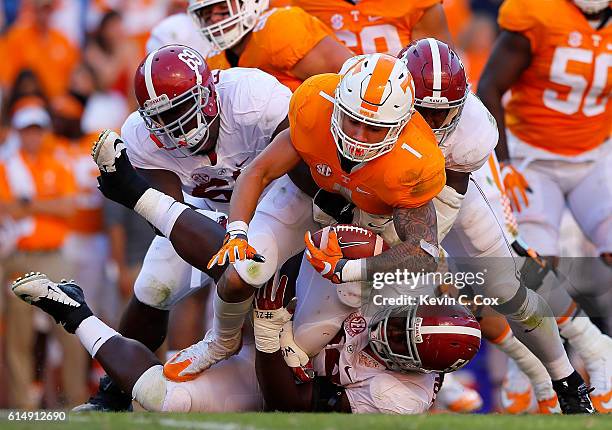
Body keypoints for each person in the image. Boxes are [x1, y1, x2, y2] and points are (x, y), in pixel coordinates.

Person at [75, 44, 292, 411]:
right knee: (153, 285)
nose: (173, 124)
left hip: (278, 204)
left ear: (208, 95)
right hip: (202, 212)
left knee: (263, 277)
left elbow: (298, 166)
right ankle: (114, 392)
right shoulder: (140, 136)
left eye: (180, 108)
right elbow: (168, 216)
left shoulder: (253, 96)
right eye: (160, 116)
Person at [399, 38, 596, 414]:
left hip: (446, 187)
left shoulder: (469, 129)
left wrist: (423, 250)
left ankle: (567, 381)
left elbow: (448, 199)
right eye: (423, 112)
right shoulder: (376, 100)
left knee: (507, 289)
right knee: (375, 285)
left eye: (441, 115)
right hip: (384, 186)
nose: (432, 124)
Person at [10, 264, 480, 414]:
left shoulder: (398, 397)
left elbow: (291, 406)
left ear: (414, 365)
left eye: (398, 340)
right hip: (303, 317)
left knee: (162, 400)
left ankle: (74, 312)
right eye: (399, 319)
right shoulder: (403, 284)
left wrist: (273, 335)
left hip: (287, 379)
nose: (386, 330)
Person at [477, 0, 611, 412]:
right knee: (531, 268)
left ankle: (604, 361)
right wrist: (502, 163)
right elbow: (489, 87)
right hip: (532, 159)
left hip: (596, 156)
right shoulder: (539, 13)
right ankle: (531, 363)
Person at [0, 102, 87, 408]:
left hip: (53, 254)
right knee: (19, 335)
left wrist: (30, 204)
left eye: (37, 130)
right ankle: (25, 406)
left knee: (72, 326)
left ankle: (76, 400)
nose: (33, 137)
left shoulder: (56, 164)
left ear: (44, 133)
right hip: (18, 256)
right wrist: (46, 203)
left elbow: (68, 206)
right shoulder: (7, 165)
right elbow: (5, 208)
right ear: (18, 133)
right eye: (27, 131)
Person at [187, 0, 354, 91]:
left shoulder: (277, 29)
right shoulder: (213, 60)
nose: (214, 20)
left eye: (223, 10)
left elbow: (351, 76)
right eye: (206, 15)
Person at [292, 0, 453, 54]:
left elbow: (438, 72)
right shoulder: (297, 5)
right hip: (327, 102)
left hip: (401, 107)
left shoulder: (419, 5)